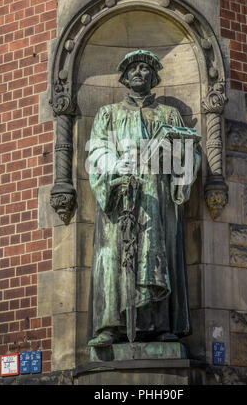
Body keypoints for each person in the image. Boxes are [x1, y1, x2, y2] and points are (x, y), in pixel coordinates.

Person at [87, 50, 201, 347]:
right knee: (113, 256)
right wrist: (116, 168)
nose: (139, 72)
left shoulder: (168, 114)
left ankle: (161, 325)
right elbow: (97, 150)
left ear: (154, 76)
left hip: (157, 196)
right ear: (124, 77)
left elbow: (188, 151)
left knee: (156, 255)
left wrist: (181, 164)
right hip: (120, 193)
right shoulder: (108, 114)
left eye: (145, 68)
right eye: (133, 68)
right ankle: (111, 327)